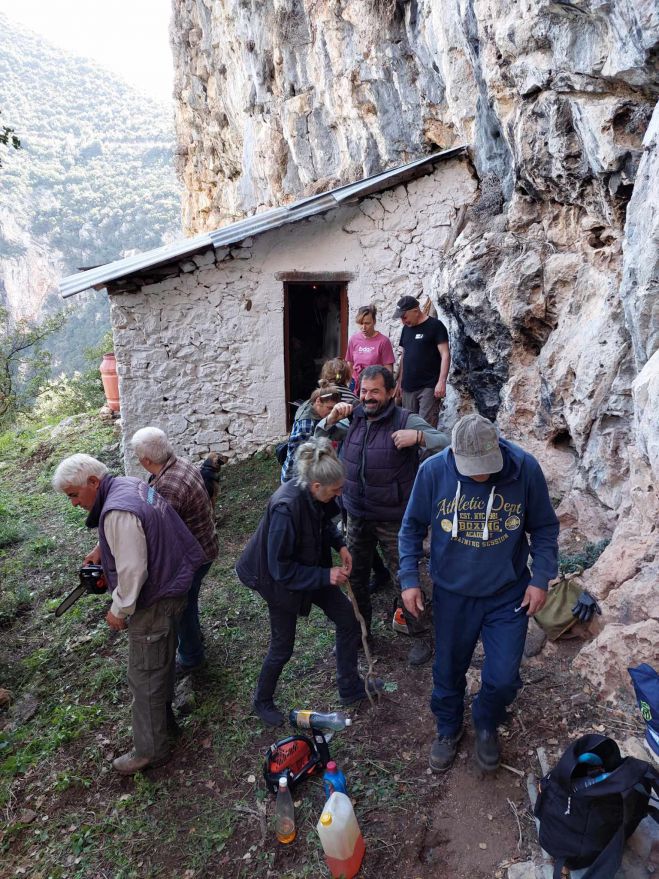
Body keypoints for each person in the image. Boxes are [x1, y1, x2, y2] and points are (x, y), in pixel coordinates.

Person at [398, 414, 559, 773]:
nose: (481, 476)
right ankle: (448, 727)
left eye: (487, 466)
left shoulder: (525, 469)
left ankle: (486, 720)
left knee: (503, 678)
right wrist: (409, 578)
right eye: (472, 469)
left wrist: (540, 578)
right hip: (453, 594)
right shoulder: (433, 472)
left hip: (507, 593)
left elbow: (545, 527)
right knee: (448, 669)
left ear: (498, 447)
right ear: (454, 454)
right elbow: (410, 528)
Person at [53, 454, 205, 775]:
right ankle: (165, 723)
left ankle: (151, 751)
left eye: (74, 494)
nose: (73, 503)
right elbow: (139, 530)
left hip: (155, 598)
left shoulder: (118, 512)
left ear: (93, 482)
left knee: (144, 676)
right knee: (161, 659)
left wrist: (118, 608)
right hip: (174, 581)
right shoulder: (128, 483)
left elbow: (133, 570)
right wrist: (102, 547)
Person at [236, 438, 381, 726]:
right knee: (282, 647)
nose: (339, 494)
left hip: (309, 566)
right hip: (277, 580)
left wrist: (340, 545)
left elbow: (323, 523)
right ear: (316, 486)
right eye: (336, 490)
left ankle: (350, 687)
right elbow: (281, 569)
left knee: (348, 619)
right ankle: (262, 700)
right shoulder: (285, 508)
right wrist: (326, 576)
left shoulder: (316, 495)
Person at [316, 365, 449, 665]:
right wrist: (331, 418)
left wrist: (418, 436)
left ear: (391, 392)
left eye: (375, 391)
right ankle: (361, 635)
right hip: (356, 514)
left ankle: (421, 635)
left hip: (393, 518)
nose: (368, 397)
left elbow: (445, 442)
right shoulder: (354, 418)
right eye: (364, 391)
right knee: (356, 578)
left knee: (405, 577)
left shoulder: (405, 419)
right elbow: (319, 436)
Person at [129, 427, 219, 675]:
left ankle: (191, 658)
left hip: (194, 556)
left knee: (182, 608)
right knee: (188, 602)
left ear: (146, 460)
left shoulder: (168, 486)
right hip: (205, 543)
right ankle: (194, 639)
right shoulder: (180, 464)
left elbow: (161, 533)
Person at [394, 295, 450, 428]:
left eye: (404, 317)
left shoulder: (435, 326)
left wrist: (442, 381)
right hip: (408, 387)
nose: (403, 321)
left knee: (426, 429)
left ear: (415, 310)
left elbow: (445, 354)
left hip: (428, 387)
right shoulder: (406, 329)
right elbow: (405, 355)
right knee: (408, 426)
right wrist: (400, 382)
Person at [280, 387, 341, 483]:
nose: (332, 412)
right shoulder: (307, 423)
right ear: (318, 401)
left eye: (334, 409)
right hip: (296, 478)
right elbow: (302, 456)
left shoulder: (310, 405)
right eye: (329, 408)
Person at [345, 305, 395, 392]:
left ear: (374, 321)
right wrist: (349, 383)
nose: (363, 327)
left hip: (374, 386)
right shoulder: (354, 339)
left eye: (367, 323)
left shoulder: (383, 341)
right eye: (360, 323)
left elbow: (388, 370)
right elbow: (350, 364)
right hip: (356, 384)